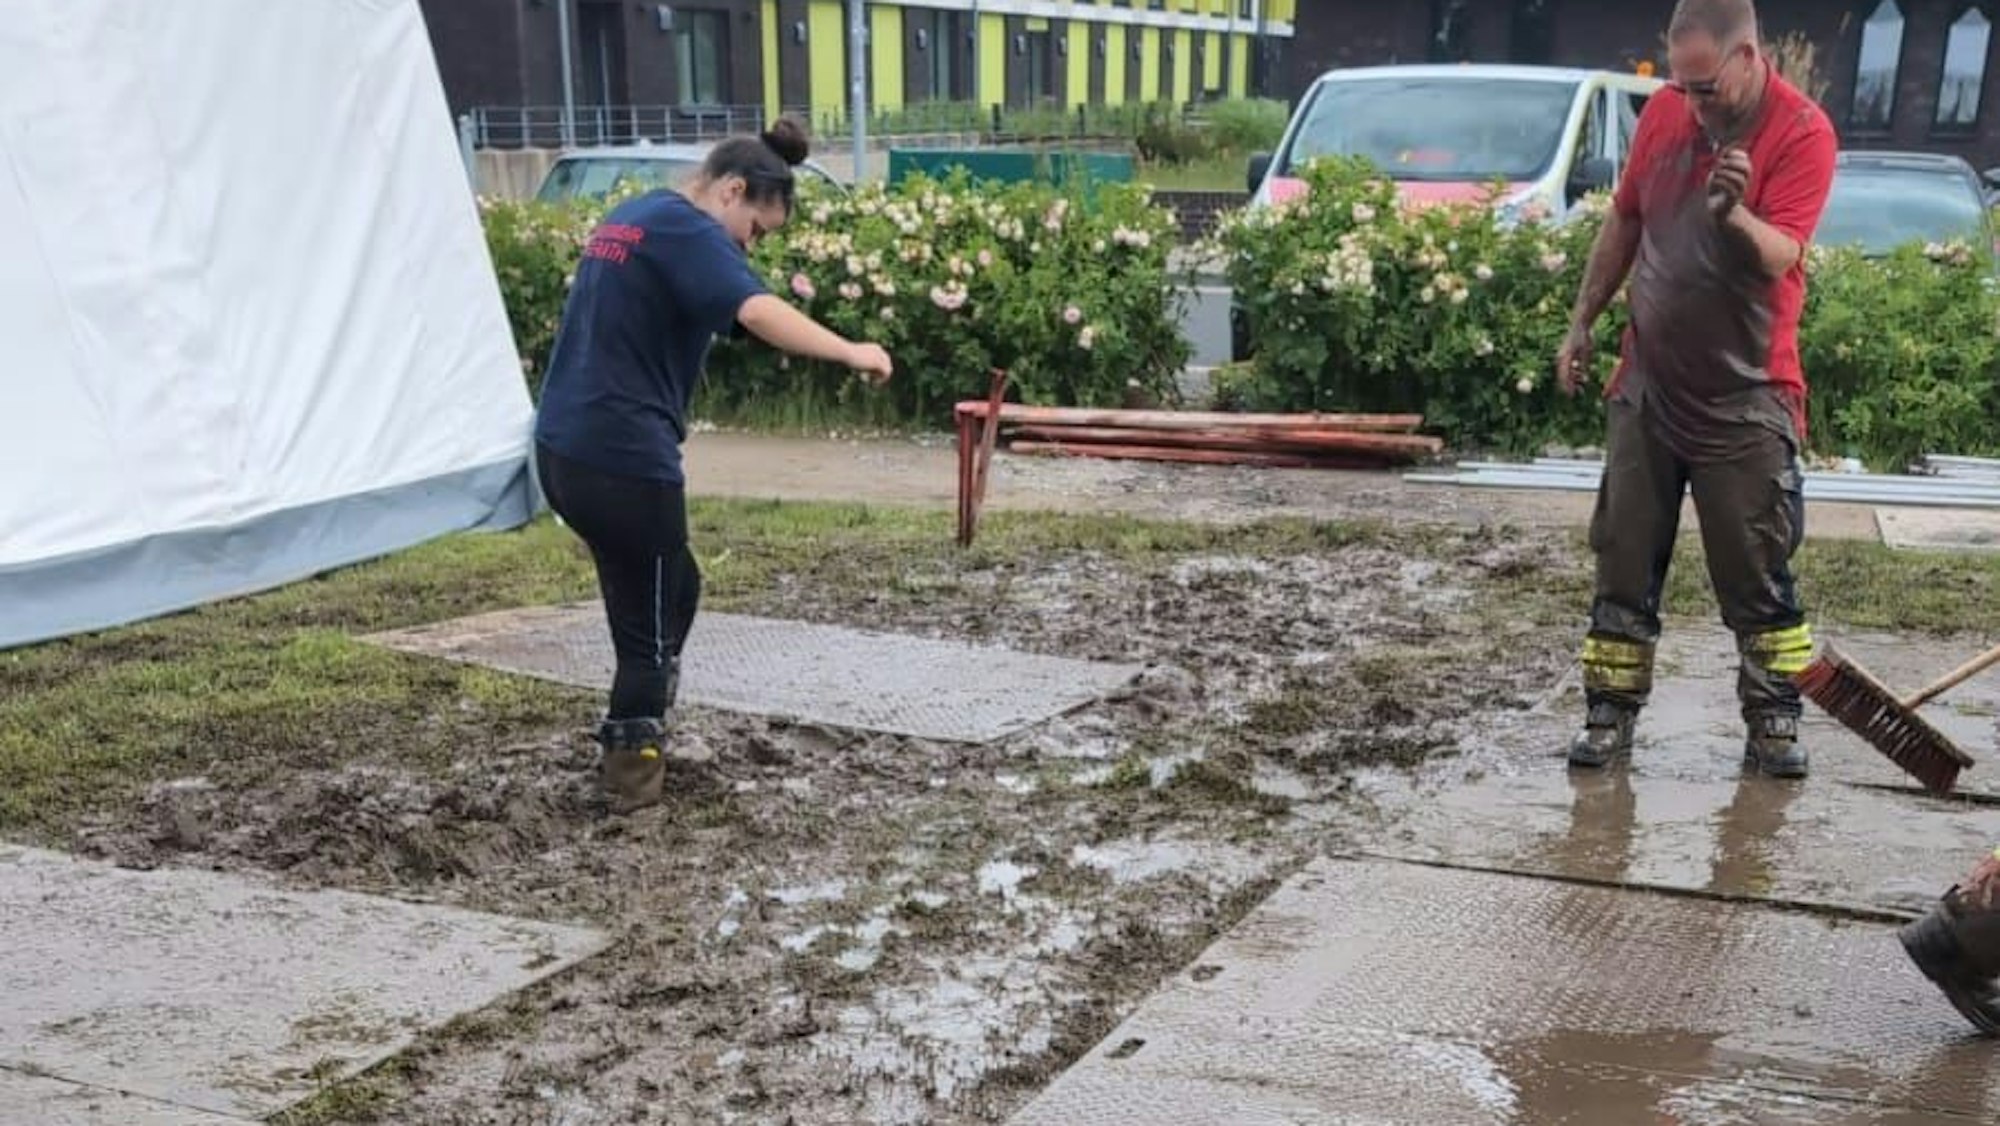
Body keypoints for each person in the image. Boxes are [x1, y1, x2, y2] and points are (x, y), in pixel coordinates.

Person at [532, 119, 893, 814]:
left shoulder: (635, 214)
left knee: (675, 586)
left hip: (564, 450)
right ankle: (632, 785)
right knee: (652, 629)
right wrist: (852, 349)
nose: (748, 250)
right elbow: (757, 311)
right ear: (731, 191)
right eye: (755, 232)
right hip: (627, 461)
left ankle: (637, 731)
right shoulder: (694, 231)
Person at [1555, 0, 1835, 779]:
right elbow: (1625, 221)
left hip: (1747, 395)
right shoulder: (1666, 117)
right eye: (1682, 87)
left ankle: (1773, 719)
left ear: (1750, 57)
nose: (1692, 103)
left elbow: (1781, 255)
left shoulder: (1802, 131)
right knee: (1623, 560)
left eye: (1705, 87)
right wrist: (1582, 322)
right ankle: (1608, 715)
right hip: (1649, 385)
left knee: (1758, 572)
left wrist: (1734, 214)